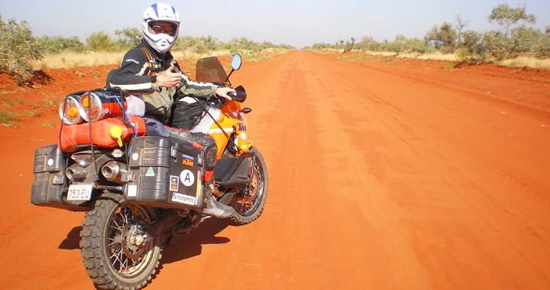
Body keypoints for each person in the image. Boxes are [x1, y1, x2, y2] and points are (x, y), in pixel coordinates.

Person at [106, 2, 235, 218]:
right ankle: (206, 201)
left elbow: (184, 83)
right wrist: (157, 80)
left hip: (154, 123)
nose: (163, 35)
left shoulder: (166, 59)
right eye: (158, 28)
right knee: (205, 145)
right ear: (147, 27)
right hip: (147, 124)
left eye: (169, 29)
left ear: (176, 30)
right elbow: (116, 80)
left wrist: (216, 89)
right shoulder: (139, 55)